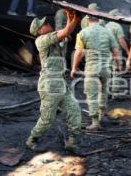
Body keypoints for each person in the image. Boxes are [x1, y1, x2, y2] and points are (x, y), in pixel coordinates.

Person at [26, 9, 82, 152]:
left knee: (74, 110)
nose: (47, 24)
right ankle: (32, 139)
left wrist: (71, 18)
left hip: (60, 85)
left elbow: (66, 33)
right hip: (49, 86)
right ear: (40, 30)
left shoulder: (53, 41)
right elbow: (65, 32)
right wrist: (76, 18)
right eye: (44, 24)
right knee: (47, 118)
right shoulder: (42, 40)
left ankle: (71, 142)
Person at [71, 16, 120, 130]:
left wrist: (74, 68)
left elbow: (79, 53)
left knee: (92, 95)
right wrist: (117, 66)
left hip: (92, 68)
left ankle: (95, 122)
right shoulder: (108, 32)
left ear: (87, 21)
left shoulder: (83, 33)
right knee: (103, 92)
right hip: (106, 69)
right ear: (98, 20)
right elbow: (116, 51)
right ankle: (102, 115)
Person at [105, 9, 129, 96]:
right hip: (116, 52)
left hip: (106, 53)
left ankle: (107, 92)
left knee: (108, 72)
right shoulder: (117, 26)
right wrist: (127, 51)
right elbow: (121, 40)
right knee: (116, 71)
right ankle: (114, 93)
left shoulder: (105, 26)